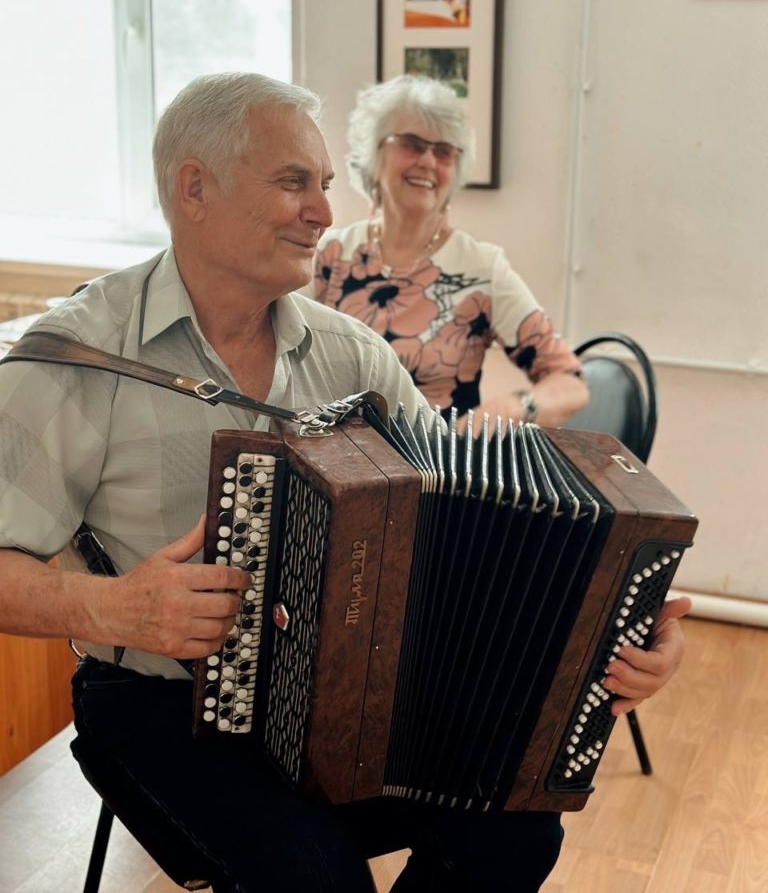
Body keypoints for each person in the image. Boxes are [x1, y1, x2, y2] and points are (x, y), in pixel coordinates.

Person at [0, 72, 689, 893]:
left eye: (324, 184)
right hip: (159, 705)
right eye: (294, 182)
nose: (324, 212)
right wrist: (110, 607)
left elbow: (459, 529)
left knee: (518, 828)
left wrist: (614, 639)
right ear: (195, 189)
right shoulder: (74, 357)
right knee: (314, 874)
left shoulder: (353, 356)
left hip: (350, 697)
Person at [310, 74, 589, 434]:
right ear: (373, 155)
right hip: (333, 473)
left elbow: (570, 383)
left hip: (437, 474)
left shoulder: (481, 270)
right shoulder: (331, 256)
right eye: (412, 144)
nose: (428, 161)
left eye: (444, 152)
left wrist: (513, 408)